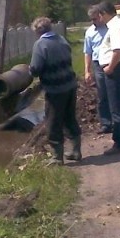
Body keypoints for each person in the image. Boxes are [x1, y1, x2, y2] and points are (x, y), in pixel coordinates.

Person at [29, 17, 81, 165]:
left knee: (53, 122)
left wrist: (29, 70)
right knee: (70, 118)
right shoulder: (62, 39)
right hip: (70, 85)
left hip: (55, 89)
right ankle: (76, 151)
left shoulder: (41, 45)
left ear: (38, 31)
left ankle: (57, 157)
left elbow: (35, 69)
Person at [98, 1, 120, 154]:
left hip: (116, 69)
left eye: (100, 15)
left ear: (104, 13)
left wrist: (110, 68)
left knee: (116, 107)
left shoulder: (116, 26)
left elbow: (117, 50)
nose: (99, 19)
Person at [83, 5, 112, 134]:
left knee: (115, 93)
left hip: (112, 62)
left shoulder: (111, 28)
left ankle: (118, 122)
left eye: (95, 18)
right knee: (102, 94)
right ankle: (106, 123)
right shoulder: (90, 32)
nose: (94, 22)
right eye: (92, 20)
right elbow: (87, 52)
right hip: (98, 64)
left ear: (101, 15)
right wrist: (87, 71)